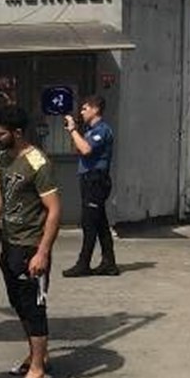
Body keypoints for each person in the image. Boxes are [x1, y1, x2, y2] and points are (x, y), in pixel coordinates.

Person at [0, 105, 61, 378]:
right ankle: (35, 355)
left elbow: (54, 211)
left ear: (17, 132)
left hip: (31, 246)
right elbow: (5, 193)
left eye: (0, 133)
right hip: (11, 244)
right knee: (18, 303)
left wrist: (42, 252)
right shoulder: (5, 157)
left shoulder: (39, 163)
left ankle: (39, 370)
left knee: (34, 306)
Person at [62, 95, 119, 277]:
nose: (82, 112)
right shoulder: (89, 130)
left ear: (95, 109)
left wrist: (72, 130)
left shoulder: (102, 130)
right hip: (89, 179)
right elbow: (79, 148)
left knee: (89, 223)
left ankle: (83, 263)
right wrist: (76, 133)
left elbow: (86, 149)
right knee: (100, 223)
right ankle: (109, 263)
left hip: (96, 180)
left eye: (85, 108)